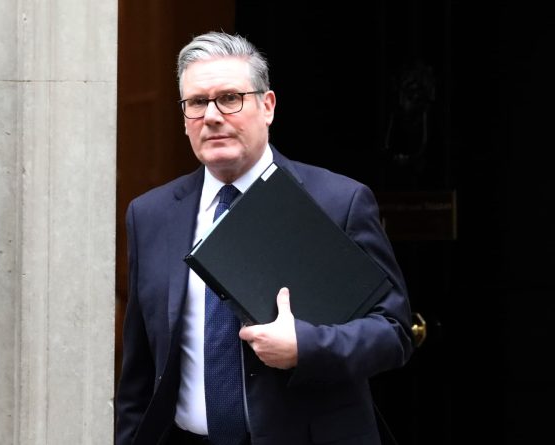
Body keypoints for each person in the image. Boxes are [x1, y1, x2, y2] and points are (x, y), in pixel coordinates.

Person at [115, 31, 414, 445]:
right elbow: (139, 370)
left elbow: (393, 331)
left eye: (230, 98)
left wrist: (305, 347)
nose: (212, 116)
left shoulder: (338, 201)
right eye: (197, 103)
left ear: (267, 106)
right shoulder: (151, 215)